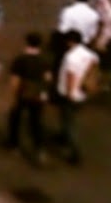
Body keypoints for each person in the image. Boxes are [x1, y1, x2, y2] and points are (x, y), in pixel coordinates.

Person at [54, 29, 99, 165]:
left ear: (70, 42)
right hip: (82, 93)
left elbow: (70, 76)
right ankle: (62, 136)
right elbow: (94, 65)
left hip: (70, 95)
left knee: (69, 124)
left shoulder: (71, 57)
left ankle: (75, 153)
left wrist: (70, 93)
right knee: (68, 119)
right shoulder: (90, 54)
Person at [6, 31, 50, 161]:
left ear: (27, 42)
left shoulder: (21, 59)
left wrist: (13, 96)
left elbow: (15, 80)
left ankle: (14, 145)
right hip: (38, 95)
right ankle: (39, 149)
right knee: (36, 122)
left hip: (22, 94)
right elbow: (48, 78)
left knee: (15, 119)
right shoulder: (44, 60)